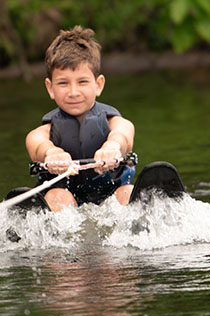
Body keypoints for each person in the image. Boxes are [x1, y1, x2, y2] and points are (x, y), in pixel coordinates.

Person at [25, 26, 135, 211]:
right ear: (50, 88)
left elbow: (124, 133)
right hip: (63, 196)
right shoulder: (44, 132)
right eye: (63, 83)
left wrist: (113, 146)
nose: (73, 92)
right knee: (58, 197)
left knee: (128, 193)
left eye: (82, 82)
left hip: (112, 195)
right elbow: (36, 144)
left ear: (98, 85)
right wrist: (51, 153)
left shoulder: (113, 122)